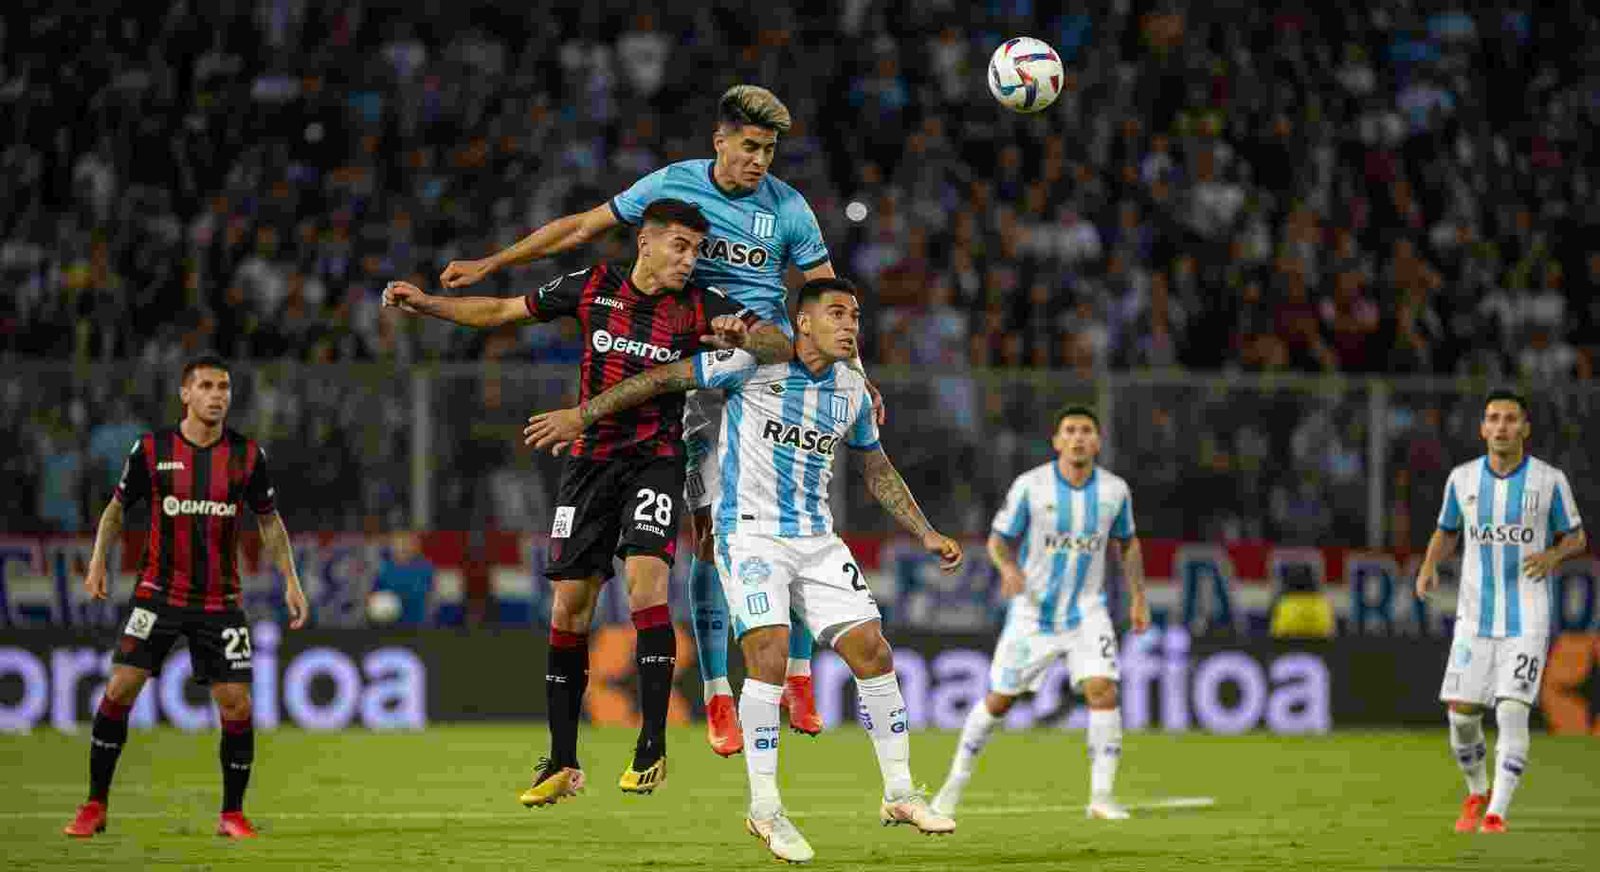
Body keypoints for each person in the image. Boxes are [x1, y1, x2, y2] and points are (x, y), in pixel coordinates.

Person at [441, 84, 875, 754]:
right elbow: (582, 227)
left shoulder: (789, 209)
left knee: (788, 520)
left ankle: (797, 675)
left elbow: (825, 301)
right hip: (698, 370)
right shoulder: (672, 187)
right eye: (749, 147)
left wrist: (857, 377)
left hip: (763, 372)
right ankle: (717, 695)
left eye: (769, 150)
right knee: (703, 534)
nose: (759, 161)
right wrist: (494, 263)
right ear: (719, 140)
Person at [525, 278, 960, 862]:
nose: (851, 325)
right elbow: (662, 379)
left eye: (855, 315)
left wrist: (926, 531)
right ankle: (765, 810)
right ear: (802, 323)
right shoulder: (750, 366)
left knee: (874, 651)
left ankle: (901, 793)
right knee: (770, 657)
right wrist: (584, 413)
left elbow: (877, 469)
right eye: (836, 313)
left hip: (817, 539)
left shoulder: (852, 392)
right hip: (748, 533)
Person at [384, 198, 790, 805]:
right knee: (569, 608)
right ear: (644, 243)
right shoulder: (593, 286)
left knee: (647, 585)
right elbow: (501, 310)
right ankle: (562, 761)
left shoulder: (700, 304)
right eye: (680, 246)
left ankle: (651, 746)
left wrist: (746, 334)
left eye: (697, 249)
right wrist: (427, 305)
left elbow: (781, 345)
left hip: (656, 458)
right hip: (589, 466)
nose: (690, 259)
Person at [62, 355, 310, 840]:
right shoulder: (151, 450)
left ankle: (232, 814)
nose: (217, 395)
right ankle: (94, 805)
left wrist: (291, 580)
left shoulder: (247, 456)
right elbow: (116, 510)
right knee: (119, 690)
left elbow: (268, 522)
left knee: (236, 704)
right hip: (158, 594)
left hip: (221, 601)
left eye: (224, 387)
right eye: (207, 386)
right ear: (186, 394)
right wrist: (96, 562)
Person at [929, 406, 1152, 823]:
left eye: (1086, 430)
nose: (1079, 437)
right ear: (1057, 441)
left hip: (1088, 610)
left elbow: (1129, 543)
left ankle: (1101, 796)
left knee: (1103, 690)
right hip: (1032, 613)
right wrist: (1009, 568)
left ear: (1098, 441)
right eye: (1070, 431)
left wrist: (1139, 596)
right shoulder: (1031, 486)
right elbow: (998, 540)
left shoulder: (1114, 491)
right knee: (999, 701)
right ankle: (953, 784)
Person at [1415, 390, 1586, 833]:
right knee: (1461, 715)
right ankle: (1477, 791)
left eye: (1511, 419)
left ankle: (1497, 813)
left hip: (1527, 616)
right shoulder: (1462, 480)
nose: (1502, 427)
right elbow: (1446, 531)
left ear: (1525, 428)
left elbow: (1576, 536)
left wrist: (1551, 556)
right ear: (1482, 428)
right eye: (1493, 418)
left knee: (1512, 710)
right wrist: (1429, 566)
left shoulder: (1549, 480)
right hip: (1474, 617)